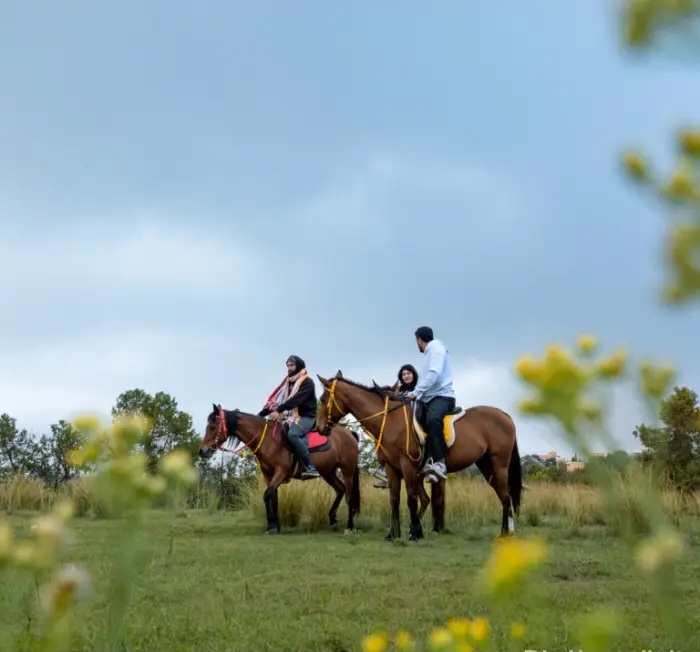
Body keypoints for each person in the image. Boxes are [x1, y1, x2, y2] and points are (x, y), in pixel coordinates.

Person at [258, 354, 320, 480]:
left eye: (292, 365)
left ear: (298, 366)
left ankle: (311, 467)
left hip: (306, 417)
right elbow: (276, 401)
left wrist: (279, 410)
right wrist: (259, 416)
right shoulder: (288, 384)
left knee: (293, 434)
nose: (289, 368)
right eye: (288, 366)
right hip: (290, 417)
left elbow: (296, 400)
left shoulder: (307, 382)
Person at [407, 326, 455, 483]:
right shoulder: (430, 353)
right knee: (410, 419)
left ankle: (440, 462)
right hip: (428, 398)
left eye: (416, 341)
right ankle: (426, 460)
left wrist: (416, 392)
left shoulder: (436, 350)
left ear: (419, 340)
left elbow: (434, 374)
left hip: (443, 397)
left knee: (432, 419)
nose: (417, 344)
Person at [371, 363, 419, 489]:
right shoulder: (400, 389)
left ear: (413, 374)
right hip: (401, 421)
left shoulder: (419, 387)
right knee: (381, 438)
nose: (406, 376)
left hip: (415, 418)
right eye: (403, 374)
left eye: (408, 373)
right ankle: (384, 469)